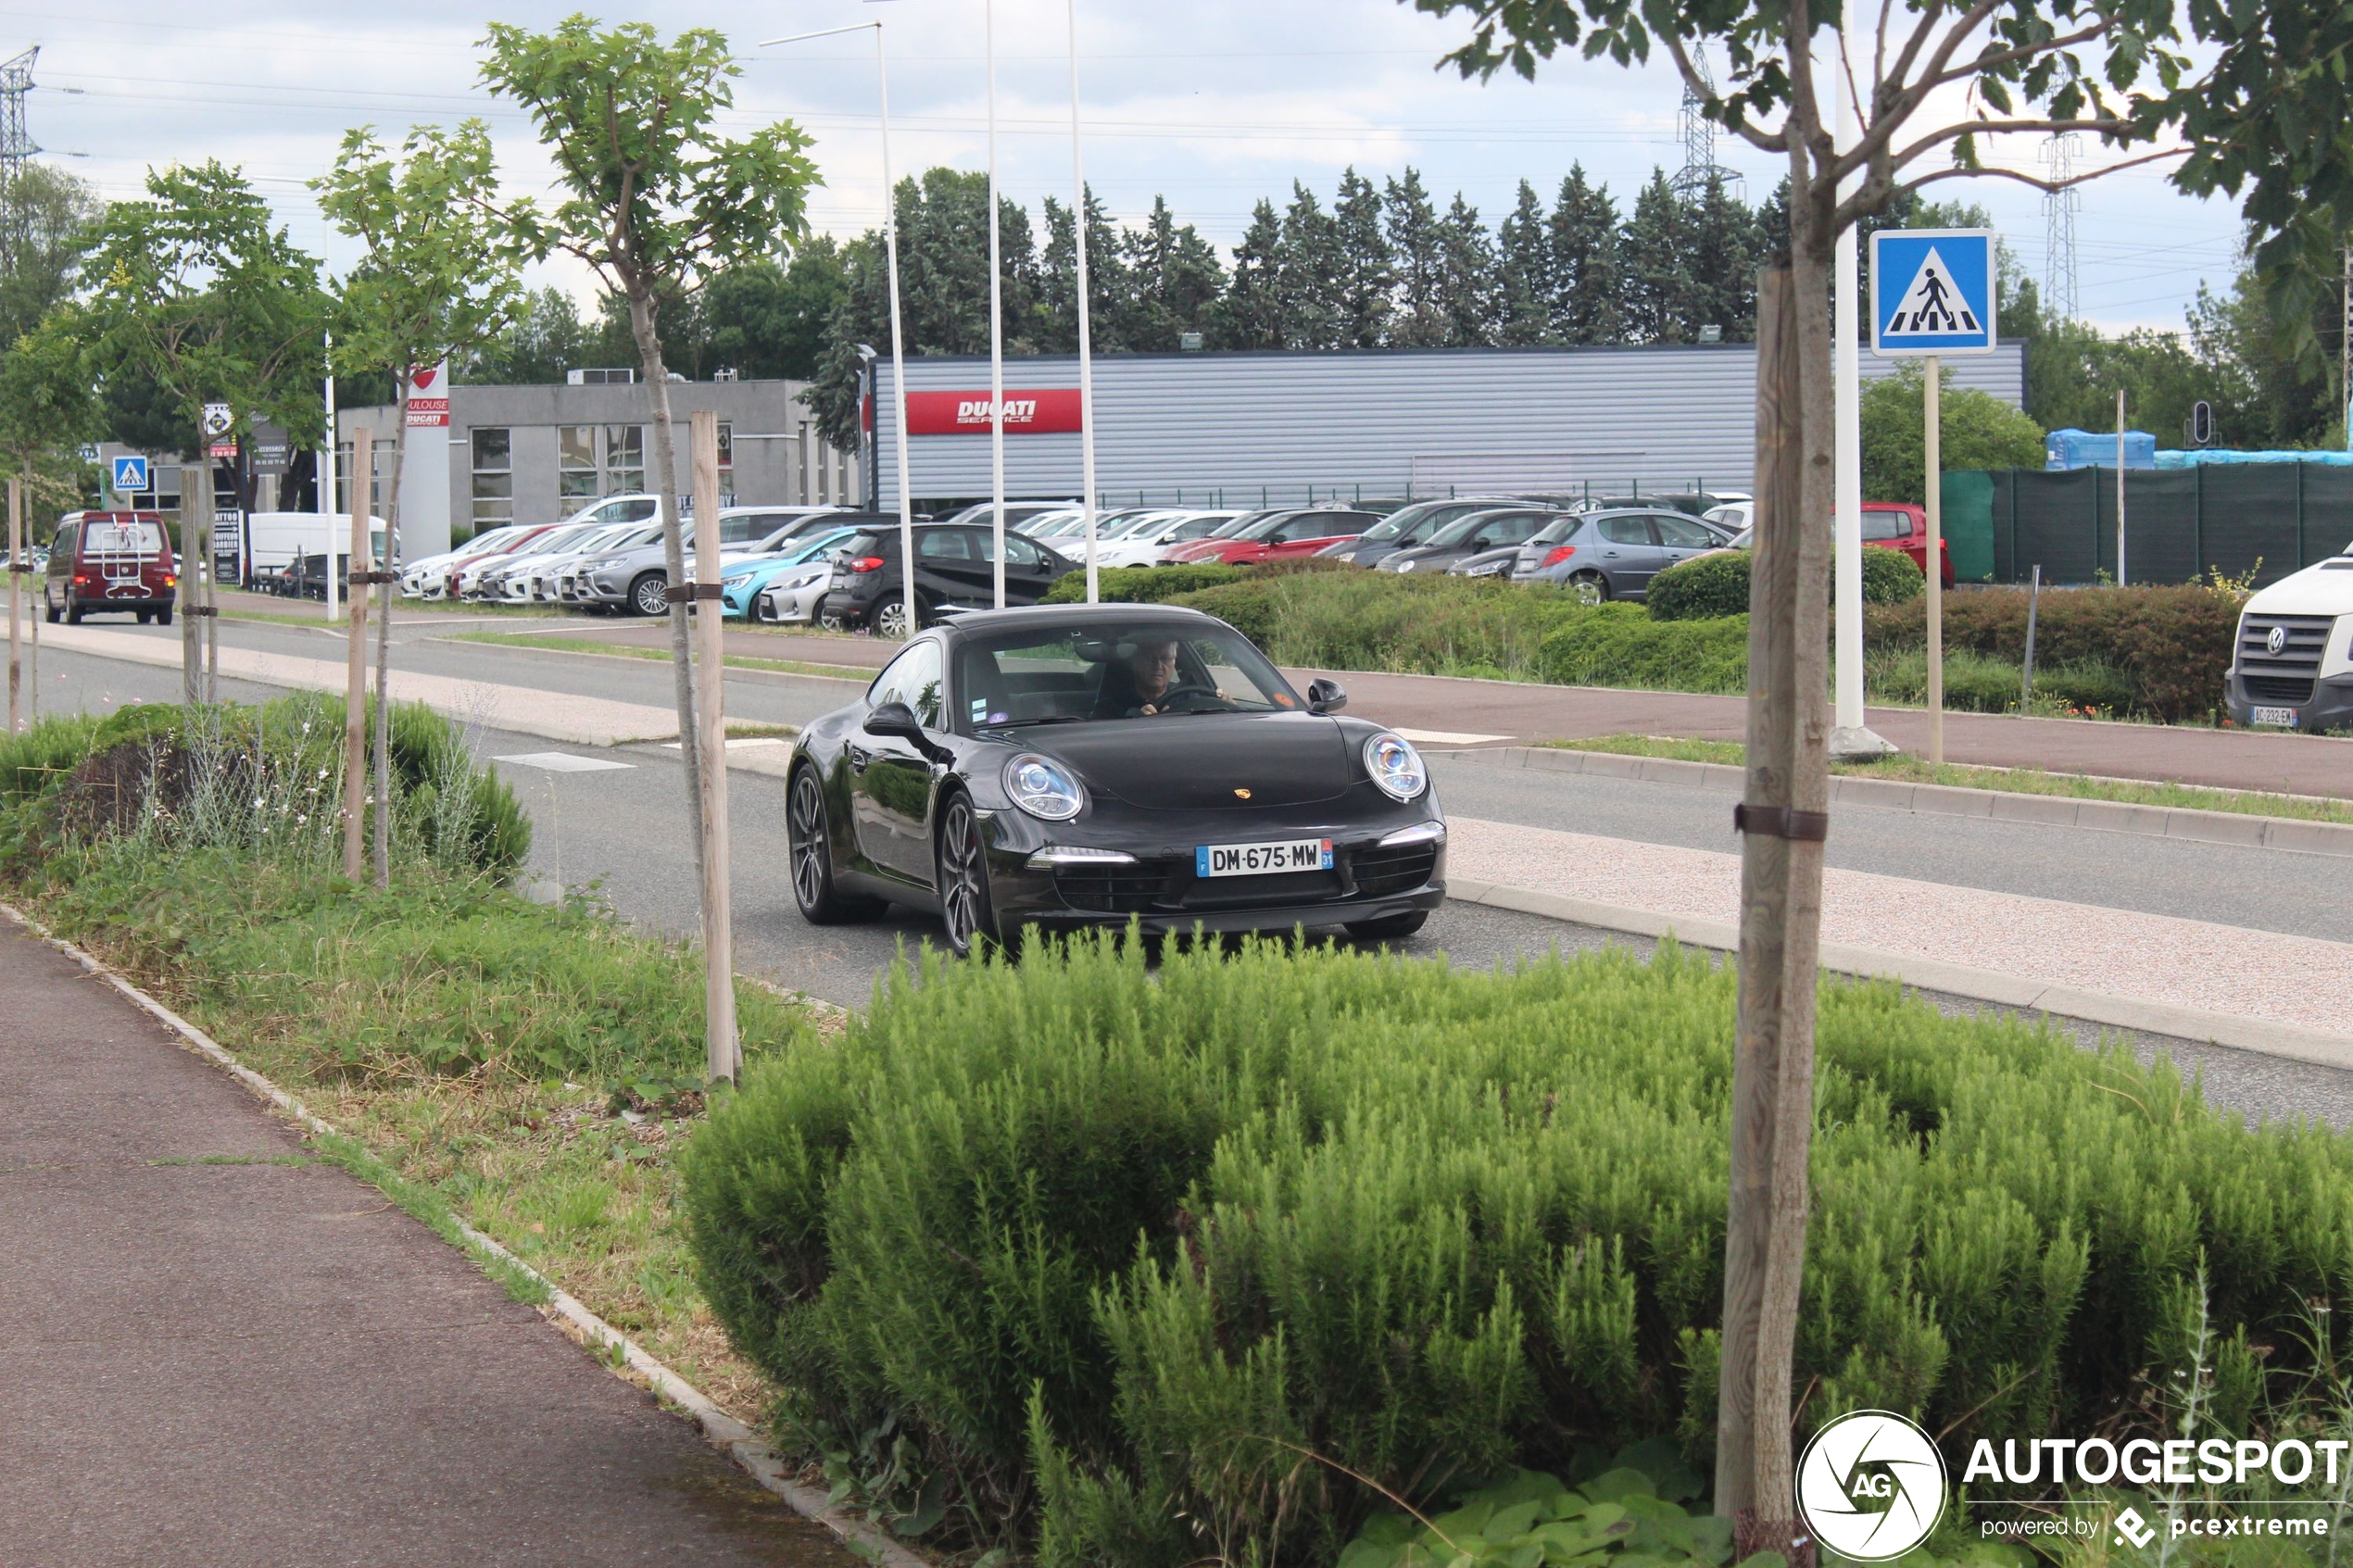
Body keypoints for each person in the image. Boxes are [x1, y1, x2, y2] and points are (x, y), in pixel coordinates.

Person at [1094, 635, 1182, 718]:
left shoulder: (1185, 697)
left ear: (1174, 662)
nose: (1158, 665)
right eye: (1149, 658)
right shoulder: (1112, 706)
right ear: (1134, 663)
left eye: (1166, 658)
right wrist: (1135, 720)